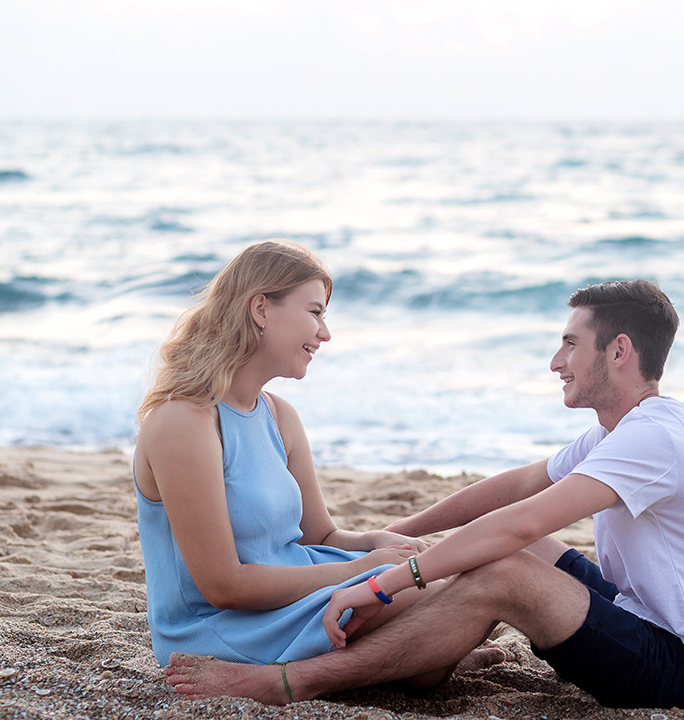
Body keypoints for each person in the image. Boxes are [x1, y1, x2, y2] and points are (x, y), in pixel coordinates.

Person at [165, 279, 684, 710]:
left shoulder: (655, 439)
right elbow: (517, 489)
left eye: (571, 344)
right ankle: (427, 651)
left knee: (504, 566)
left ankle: (299, 681)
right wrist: (410, 535)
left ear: (620, 351)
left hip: (683, 674)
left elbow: (518, 526)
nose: (557, 362)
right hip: (640, 614)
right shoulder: (623, 430)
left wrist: (385, 581)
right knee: (503, 548)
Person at [133, 240, 460, 677]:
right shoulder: (184, 422)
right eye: (315, 313)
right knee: (442, 594)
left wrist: (374, 543)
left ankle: (418, 659)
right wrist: (365, 571)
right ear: (261, 309)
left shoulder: (278, 414)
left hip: (295, 591)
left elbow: (318, 534)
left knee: (454, 577)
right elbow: (222, 586)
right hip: (226, 625)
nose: (325, 333)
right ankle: (417, 657)